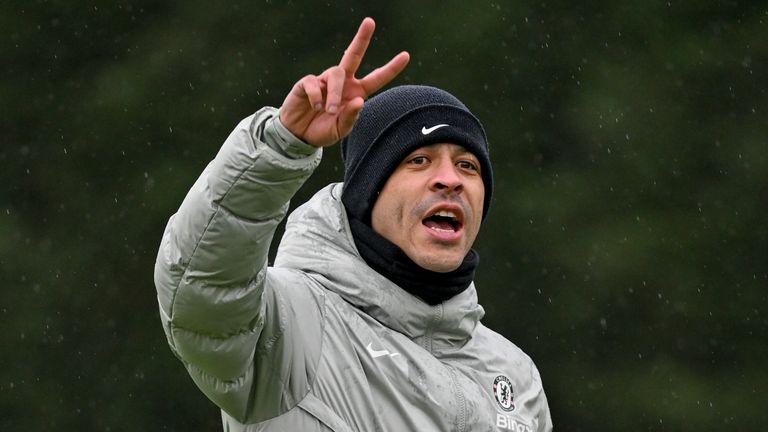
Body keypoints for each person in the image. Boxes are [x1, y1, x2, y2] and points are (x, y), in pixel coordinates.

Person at [154, 17, 552, 432]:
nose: (450, 179)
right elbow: (200, 291)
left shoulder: (516, 375)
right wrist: (281, 146)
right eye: (419, 160)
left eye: (468, 165)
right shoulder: (289, 323)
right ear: (366, 192)